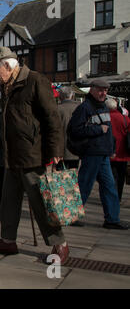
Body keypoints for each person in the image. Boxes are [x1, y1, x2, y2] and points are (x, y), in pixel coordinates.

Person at [0, 47, 70, 265]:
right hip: (11, 156)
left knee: (41, 202)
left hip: (33, 155)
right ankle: (7, 241)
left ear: (8, 66)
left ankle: (60, 244)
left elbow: (52, 118)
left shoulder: (35, 81)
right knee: (8, 201)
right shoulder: (6, 86)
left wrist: (56, 151)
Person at [69, 79, 128, 230]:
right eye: (100, 90)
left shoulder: (102, 107)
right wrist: (97, 130)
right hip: (92, 153)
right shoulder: (84, 108)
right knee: (84, 185)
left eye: (106, 90)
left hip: (102, 153)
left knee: (109, 187)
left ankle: (112, 219)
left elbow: (108, 132)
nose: (103, 93)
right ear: (92, 90)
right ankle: (73, 216)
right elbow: (74, 130)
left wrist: (111, 148)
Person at [105, 97, 130, 203]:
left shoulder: (105, 118)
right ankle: (118, 197)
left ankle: (112, 197)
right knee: (121, 177)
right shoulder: (126, 119)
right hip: (123, 153)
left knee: (111, 177)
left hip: (109, 152)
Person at [57, 86, 80, 169]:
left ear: (60, 96)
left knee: (61, 179)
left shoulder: (57, 109)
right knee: (74, 176)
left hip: (61, 150)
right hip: (76, 149)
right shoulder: (79, 108)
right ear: (72, 96)